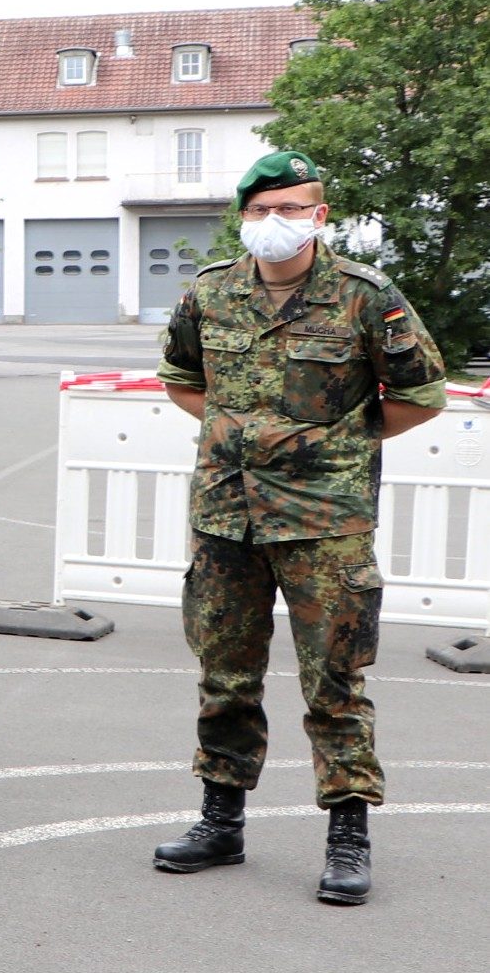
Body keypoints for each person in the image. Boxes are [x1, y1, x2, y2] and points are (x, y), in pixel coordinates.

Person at [151, 150, 446, 905]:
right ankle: (220, 821)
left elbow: (422, 392)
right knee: (224, 677)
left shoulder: (362, 297)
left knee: (334, 683)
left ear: (318, 216)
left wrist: (335, 447)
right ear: (241, 217)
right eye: (257, 211)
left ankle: (346, 836)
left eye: (288, 210)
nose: (271, 224)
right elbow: (183, 378)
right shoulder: (210, 292)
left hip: (324, 521)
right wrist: (235, 431)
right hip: (225, 513)